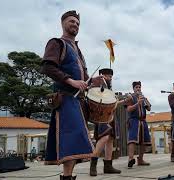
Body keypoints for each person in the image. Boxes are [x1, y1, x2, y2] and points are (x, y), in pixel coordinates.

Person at [41, 10, 102, 180]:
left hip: (79, 100)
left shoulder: (78, 51)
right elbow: (47, 67)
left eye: (77, 23)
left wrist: (93, 81)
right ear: (63, 23)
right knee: (71, 139)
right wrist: (71, 81)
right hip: (66, 98)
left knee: (76, 141)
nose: (75, 24)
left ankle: (68, 176)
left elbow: (84, 79)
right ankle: (67, 177)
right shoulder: (57, 43)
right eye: (71, 21)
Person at [88, 68, 121, 176]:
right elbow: (93, 96)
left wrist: (120, 101)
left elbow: (113, 102)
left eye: (110, 77)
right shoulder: (97, 85)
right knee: (104, 137)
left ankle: (108, 165)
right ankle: (93, 163)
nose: (109, 78)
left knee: (110, 139)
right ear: (102, 76)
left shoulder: (109, 88)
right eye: (107, 76)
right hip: (101, 115)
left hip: (110, 114)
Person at [125, 81, 152, 168]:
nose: (138, 88)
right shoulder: (130, 97)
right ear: (133, 88)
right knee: (132, 140)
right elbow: (128, 109)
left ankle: (140, 160)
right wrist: (137, 103)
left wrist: (145, 100)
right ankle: (130, 159)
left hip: (143, 121)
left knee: (143, 141)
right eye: (136, 87)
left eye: (139, 87)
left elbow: (149, 108)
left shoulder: (143, 98)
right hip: (134, 121)